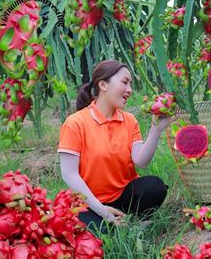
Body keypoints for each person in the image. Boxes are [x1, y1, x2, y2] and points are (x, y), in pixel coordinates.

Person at [57, 60, 176, 233]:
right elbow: (69, 175)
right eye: (125, 82)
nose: (130, 89)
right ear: (103, 84)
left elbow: (141, 161)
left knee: (155, 187)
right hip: (89, 201)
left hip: (123, 197)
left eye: (130, 84)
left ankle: (134, 227)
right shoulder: (75, 123)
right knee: (101, 234)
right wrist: (104, 212)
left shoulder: (129, 120)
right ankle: (116, 226)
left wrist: (156, 129)